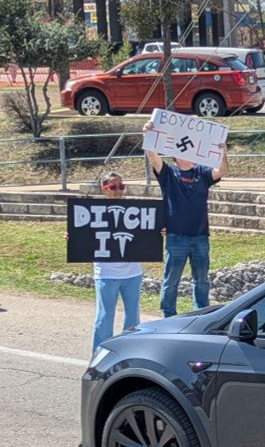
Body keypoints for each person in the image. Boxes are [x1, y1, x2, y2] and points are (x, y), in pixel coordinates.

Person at [144, 125, 228, 317]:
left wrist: (223, 151)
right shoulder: (168, 174)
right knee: (171, 279)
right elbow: (153, 157)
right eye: (184, 151)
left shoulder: (202, 173)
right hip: (176, 237)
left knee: (201, 279)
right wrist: (148, 134)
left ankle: (201, 312)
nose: (189, 154)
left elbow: (222, 170)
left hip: (200, 236)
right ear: (176, 155)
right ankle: (168, 314)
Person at [88, 172, 143, 352]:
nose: (118, 190)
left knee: (132, 318)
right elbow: (83, 235)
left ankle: (129, 352)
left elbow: (146, 233)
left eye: (121, 186)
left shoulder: (136, 211)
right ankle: (99, 355)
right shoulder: (93, 213)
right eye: (113, 187)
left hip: (132, 273)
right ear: (104, 190)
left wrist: (158, 234)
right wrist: (73, 238)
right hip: (106, 273)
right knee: (104, 318)